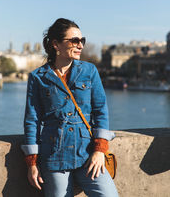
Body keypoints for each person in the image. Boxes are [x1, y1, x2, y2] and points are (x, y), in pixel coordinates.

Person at [21, 18, 119, 197]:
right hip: (54, 156)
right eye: (74, 40)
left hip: (87, 153)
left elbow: (100, 111)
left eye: (82, 40)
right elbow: (32, 121)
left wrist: (99, 150)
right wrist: (32, 163)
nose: (80, 45)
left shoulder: (89, 71)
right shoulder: (38, 77)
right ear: (56, 44)